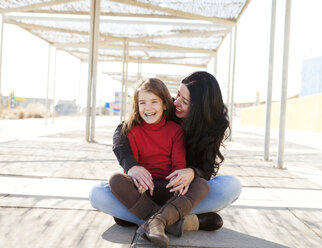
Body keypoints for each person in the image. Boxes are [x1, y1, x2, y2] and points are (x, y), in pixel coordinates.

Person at [89, 71, 242, 237]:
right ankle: (179, 221)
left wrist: (191, 172)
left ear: (199, 107)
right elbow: (122, 132)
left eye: (184, 101)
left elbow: (206, 169)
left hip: (177, 190)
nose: (176, 103)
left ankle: (141, 218)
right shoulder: (161, 108)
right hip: (145, 190)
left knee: (230, 186)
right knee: (97, 194)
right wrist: (132, 167)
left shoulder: (205, 130)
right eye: (177, 95)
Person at [107, 78, 210, 247]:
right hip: (144, 189)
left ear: (164, 104)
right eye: (142, 103)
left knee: (202, 185)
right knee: (116, 180)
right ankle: (170, 221)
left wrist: (178, 185)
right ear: (136, 105)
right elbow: (133, 171)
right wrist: (134, 180)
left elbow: (178, 167)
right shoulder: (132, 131)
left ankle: (152, 221)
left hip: (169, 189)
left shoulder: (175, 130)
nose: (148, 108)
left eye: (154, 102)